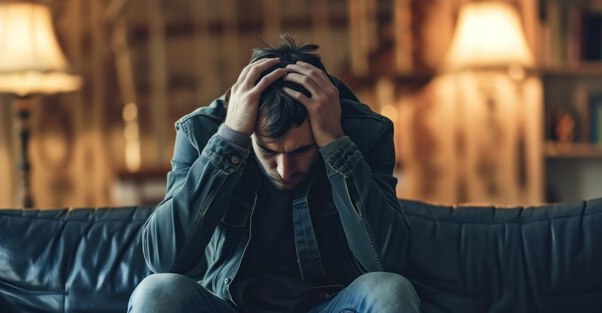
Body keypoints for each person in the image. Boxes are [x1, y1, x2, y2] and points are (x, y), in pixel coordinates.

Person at [128, 35, 420, 313]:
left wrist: (335, 144)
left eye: (302, 151)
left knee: (391, 290)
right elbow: (164, 259)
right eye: (268, 152)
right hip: (230, 305)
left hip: (331, 304)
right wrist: (228, 141)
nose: (285, 170)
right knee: (155, 291)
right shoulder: (201, 132)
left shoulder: (366, 133)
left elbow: (386, 261)